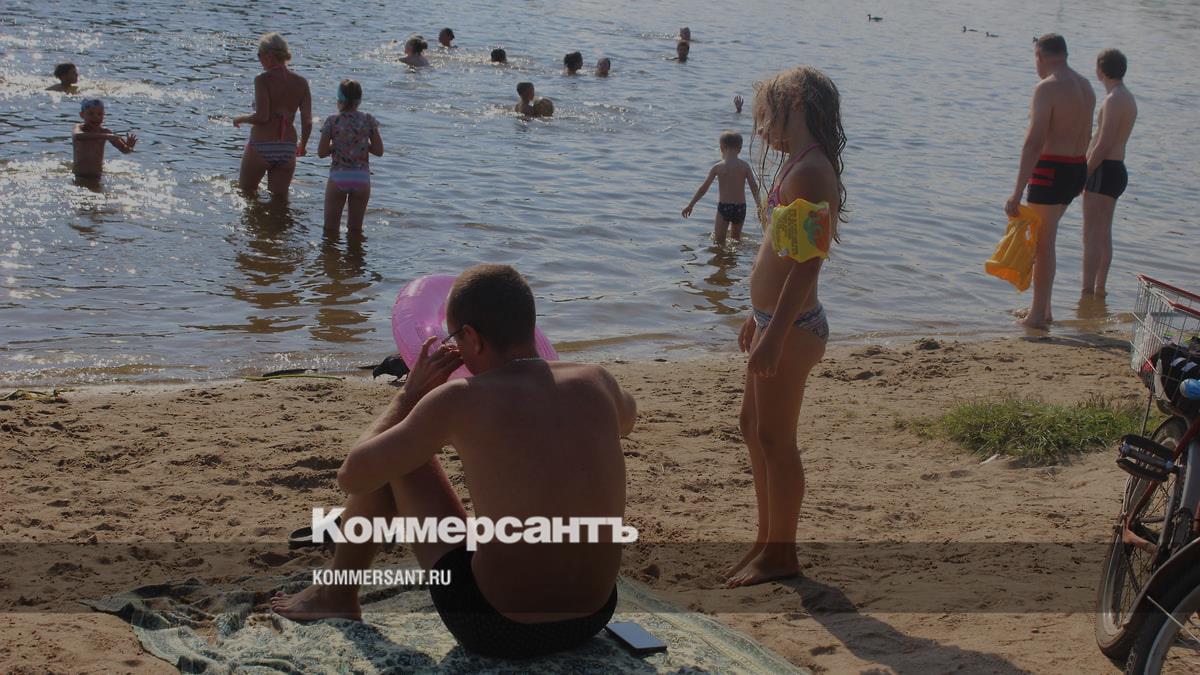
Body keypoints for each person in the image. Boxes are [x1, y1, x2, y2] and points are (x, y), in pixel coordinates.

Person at [271, 264, 637, 660]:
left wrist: (409, 395)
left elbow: (353, 477)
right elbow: (626, 422)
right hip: (593, 614)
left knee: (397, 461)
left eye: (455, 339)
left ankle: (337, 594)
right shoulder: (598, 380)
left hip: (497, 626)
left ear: (472, 337)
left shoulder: (460, 398)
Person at [727, 66, 846, 588]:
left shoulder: (812, 172)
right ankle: (766, 540)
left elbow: (808, 263)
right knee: (752, 428)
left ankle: (783, 553)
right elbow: (777, 250)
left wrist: (774, 334)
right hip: (774, 319)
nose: (760, 129)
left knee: (776, 438)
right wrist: (755, 315)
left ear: (794, 102)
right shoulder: (797, 165)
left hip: (793, 327)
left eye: (765, 116)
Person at [1004, 34, 1095, 329]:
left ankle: (1037, 316)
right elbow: (1087, 134)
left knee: (1043, 245)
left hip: (1051, 168)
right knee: (1047, 239)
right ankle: (1044, 308)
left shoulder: (1047, 87)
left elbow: (1034, 141)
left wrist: (1016, 192)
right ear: (1064, 54)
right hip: (1077, 168)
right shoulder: (1085, 85)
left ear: (1040, 56)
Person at [1082, 48, 1136, 297]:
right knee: (1103, 233)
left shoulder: (1113, 99)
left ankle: (1087, 290)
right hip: (1116, 169)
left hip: (1104, 169)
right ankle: (1099, 289)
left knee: (1091, 234)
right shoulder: (1128, 97)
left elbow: (1103, 143)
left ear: (1100, 69)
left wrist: (1085, 172)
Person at [233, 32, 312, 200]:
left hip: (261, 146)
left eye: (259, 55)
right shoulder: (301, 82)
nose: (259, 59)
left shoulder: (262, 80)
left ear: (269, 56)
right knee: (279, 201)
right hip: (287, 148)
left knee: (246, 194)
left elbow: (262, 117)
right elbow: (307, 121)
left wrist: (241, 119)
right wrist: (303, 145)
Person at [318, 79, 383, 236]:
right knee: (355, 231)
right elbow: (379, 151)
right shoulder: (368, 119)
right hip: (361, 178)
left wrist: (337, 145)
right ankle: (355, 252)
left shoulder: (332, 120)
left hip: (338, 177)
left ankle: (331, 252)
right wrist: (360, 144)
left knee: (330, 230)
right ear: (359, 100)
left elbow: (321, 152)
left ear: (339, 98)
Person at [682, 131, 762, 245]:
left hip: (724, 207)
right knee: (736, 240)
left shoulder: (718, 167)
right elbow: (754, 187)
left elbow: (703, 188)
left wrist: (691, 205)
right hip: (740, 208)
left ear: (721, 148)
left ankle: (721, 255)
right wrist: (759, 206)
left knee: (719, 242)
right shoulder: (745, 166)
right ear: (740, 148)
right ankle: (735, 256)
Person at [72, 98, 136, 178]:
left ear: (104, 115)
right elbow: (77, 136)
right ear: (82, 115)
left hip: (97, 175)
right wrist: (106, 136)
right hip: (79, 175)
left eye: (99, 114)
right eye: (91, 114)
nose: (95, 117)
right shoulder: (79, 128)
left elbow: (124, 150)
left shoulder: (105, 131)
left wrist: (129, 146)